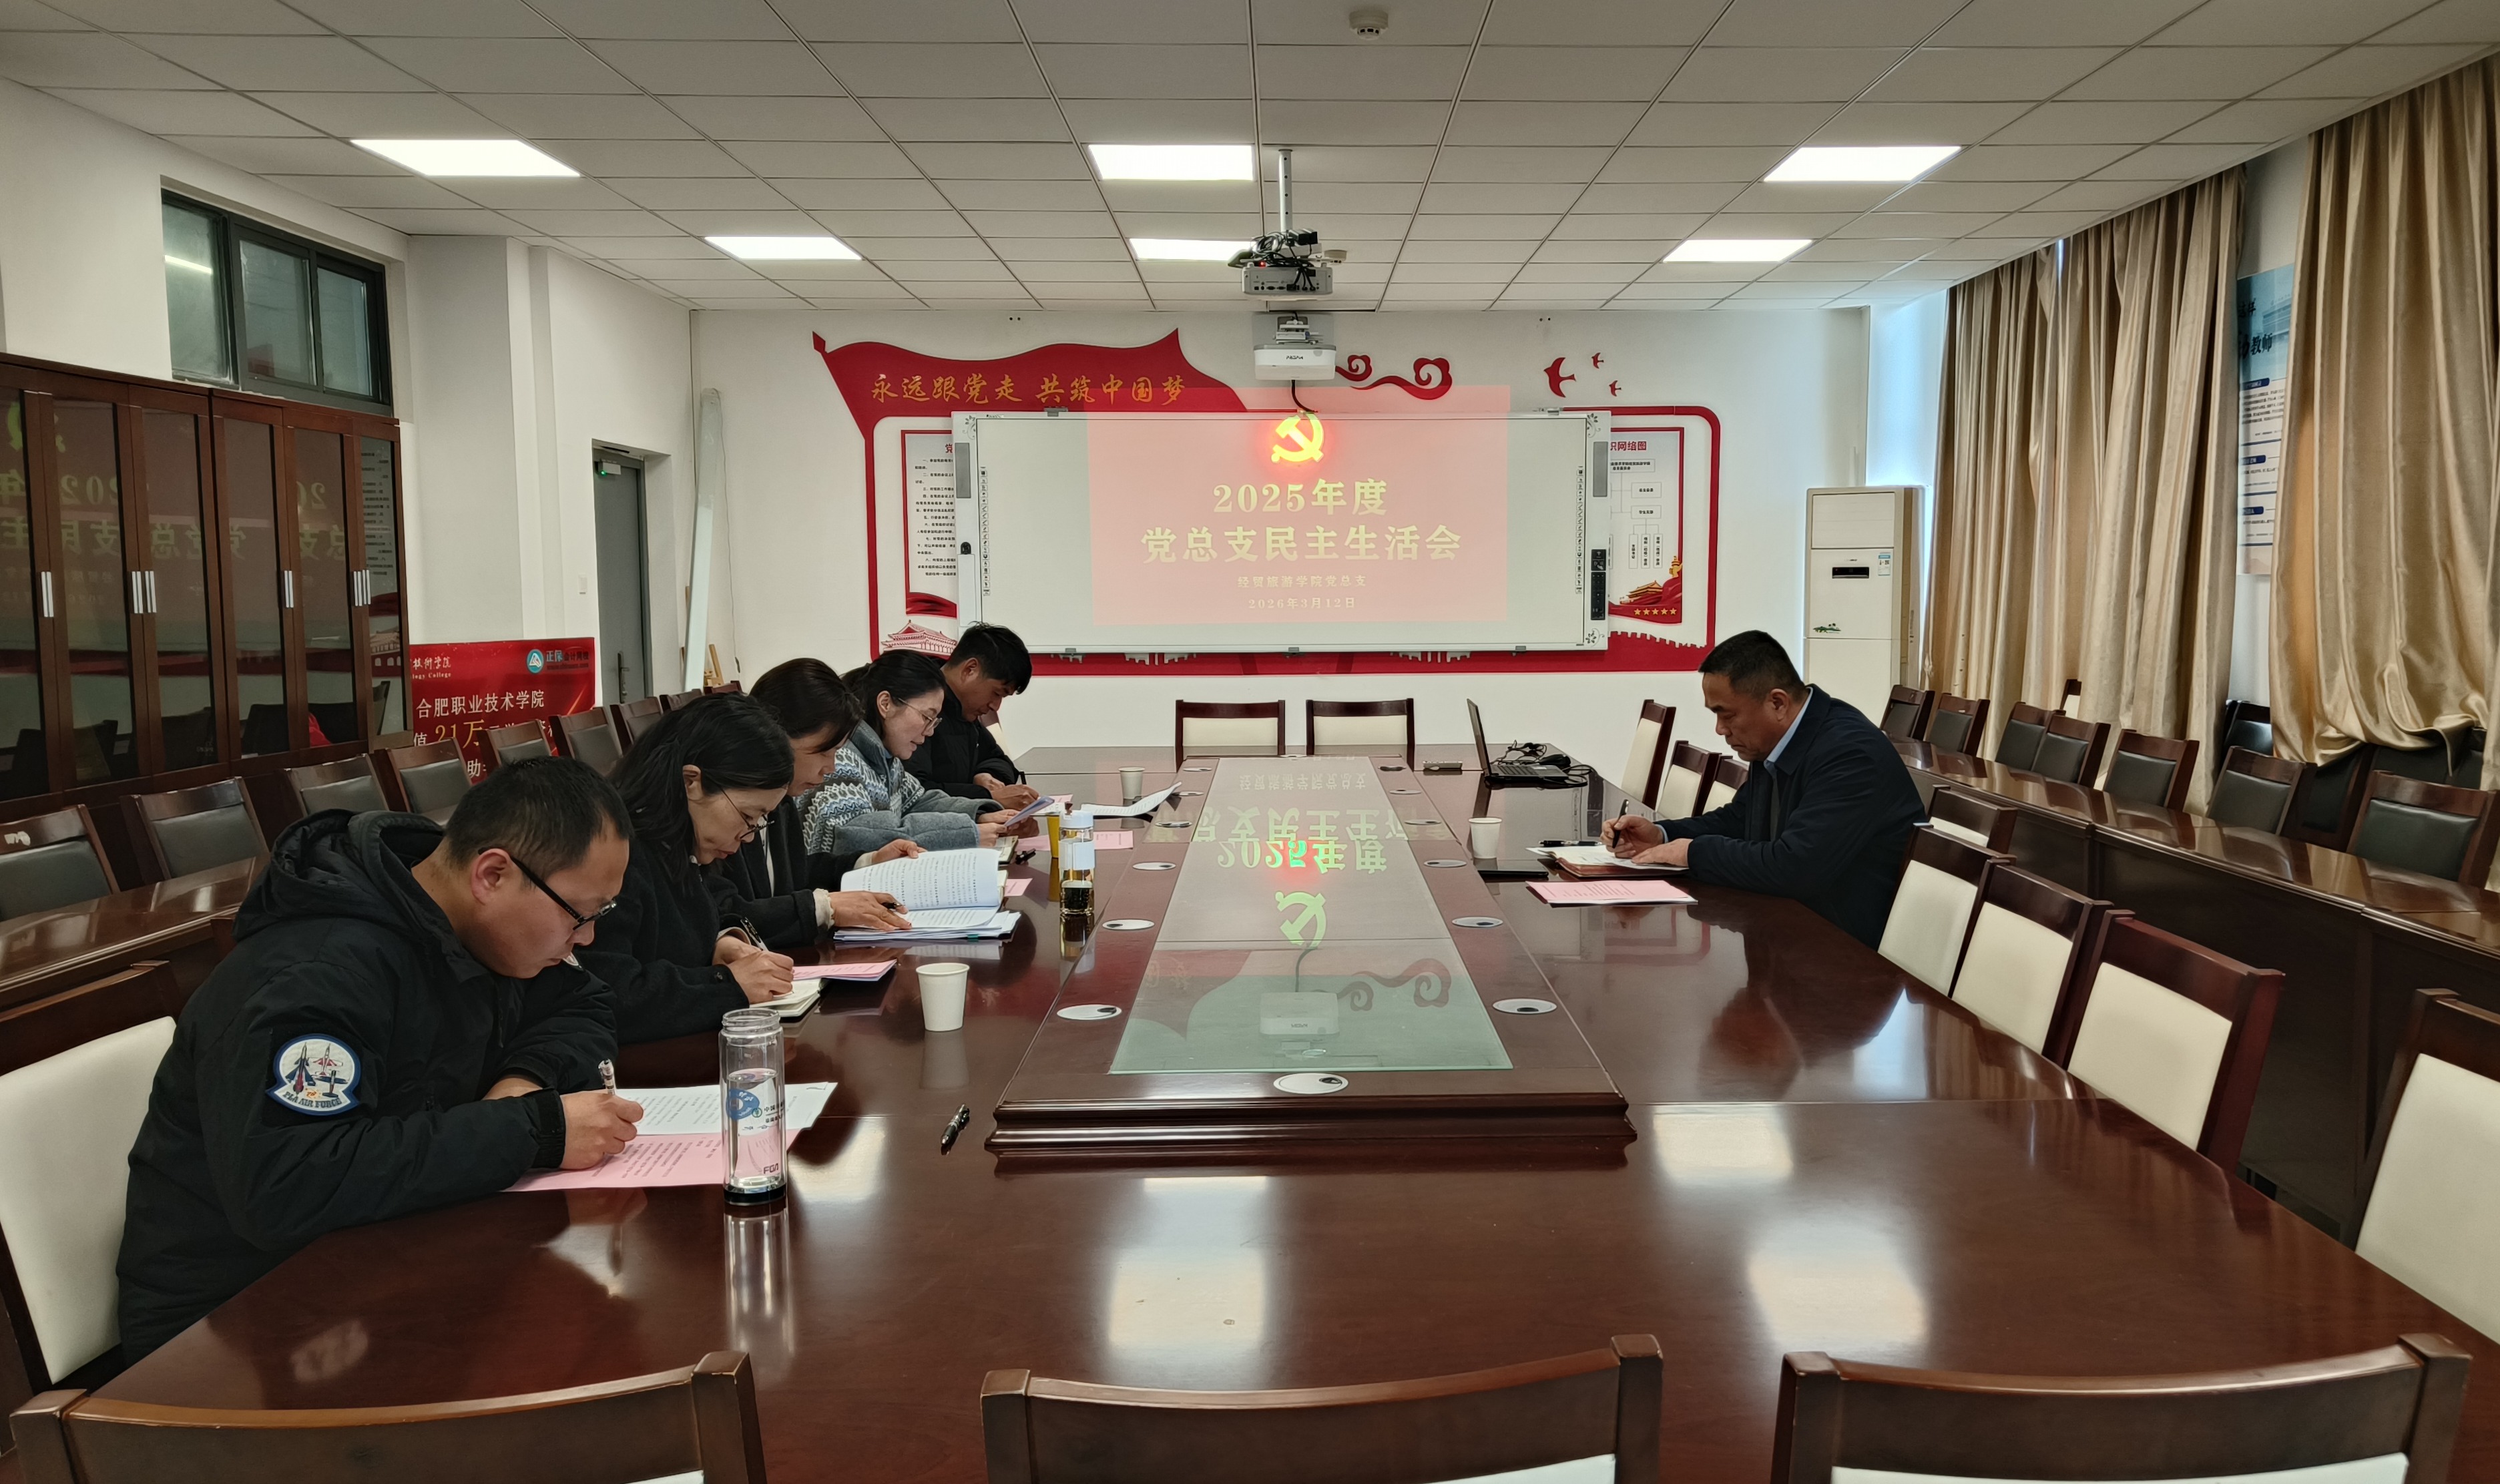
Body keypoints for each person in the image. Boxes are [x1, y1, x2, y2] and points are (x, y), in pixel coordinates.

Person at [117, 757, 644, 1364]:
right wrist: (535, 1130)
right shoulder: (315, 975)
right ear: (493, 874)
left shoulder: (475, 931)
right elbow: (290, 1184)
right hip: (231, 1328)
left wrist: (521, 1084)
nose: (587, 938)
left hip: (384, 1258)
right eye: (579, 914)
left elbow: (584, 1003)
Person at [1598, 630, 1925, 947]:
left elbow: (1796, 868)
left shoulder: (1850, 755)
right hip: (1789, 930)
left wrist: (1691, 852)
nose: (1720, 729)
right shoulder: (1777, 739)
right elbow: (1741, 820)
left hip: (1846, 953)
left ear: (1777, 703)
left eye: (1727, 715)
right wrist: (1663, 835)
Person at [588, 694, 808, 1043]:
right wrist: (727, 986)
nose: (749, 837)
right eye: (747, 816)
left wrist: (723, 941)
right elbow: (611, 995)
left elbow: (713, 906)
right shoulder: (618, 857)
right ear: (691, 782)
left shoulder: (683, 842)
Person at [722, 657, 919, 951]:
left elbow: (795, 874)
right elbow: (726, 912)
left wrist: (867, 863)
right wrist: (823, 908)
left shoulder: (783, 799)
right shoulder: (726, 807)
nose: (831, 768)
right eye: (824, 752)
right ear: (776, 736)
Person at [804, 650, 1037, 857]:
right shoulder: (841, 760)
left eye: (934, 721)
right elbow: (855, 839)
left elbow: (920, 801)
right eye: (927, 717)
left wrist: (979, 814)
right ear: (886, 704)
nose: (930, 732)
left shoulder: (887, 760)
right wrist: (967, 833)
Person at [904, 624, 1039, 810]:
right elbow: (914, 794)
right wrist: (987, 796)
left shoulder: (963, 711)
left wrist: (985, 775)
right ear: (970, 670)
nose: (995, 706)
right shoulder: (916, 706)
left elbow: (999, 759)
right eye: (997, 693)